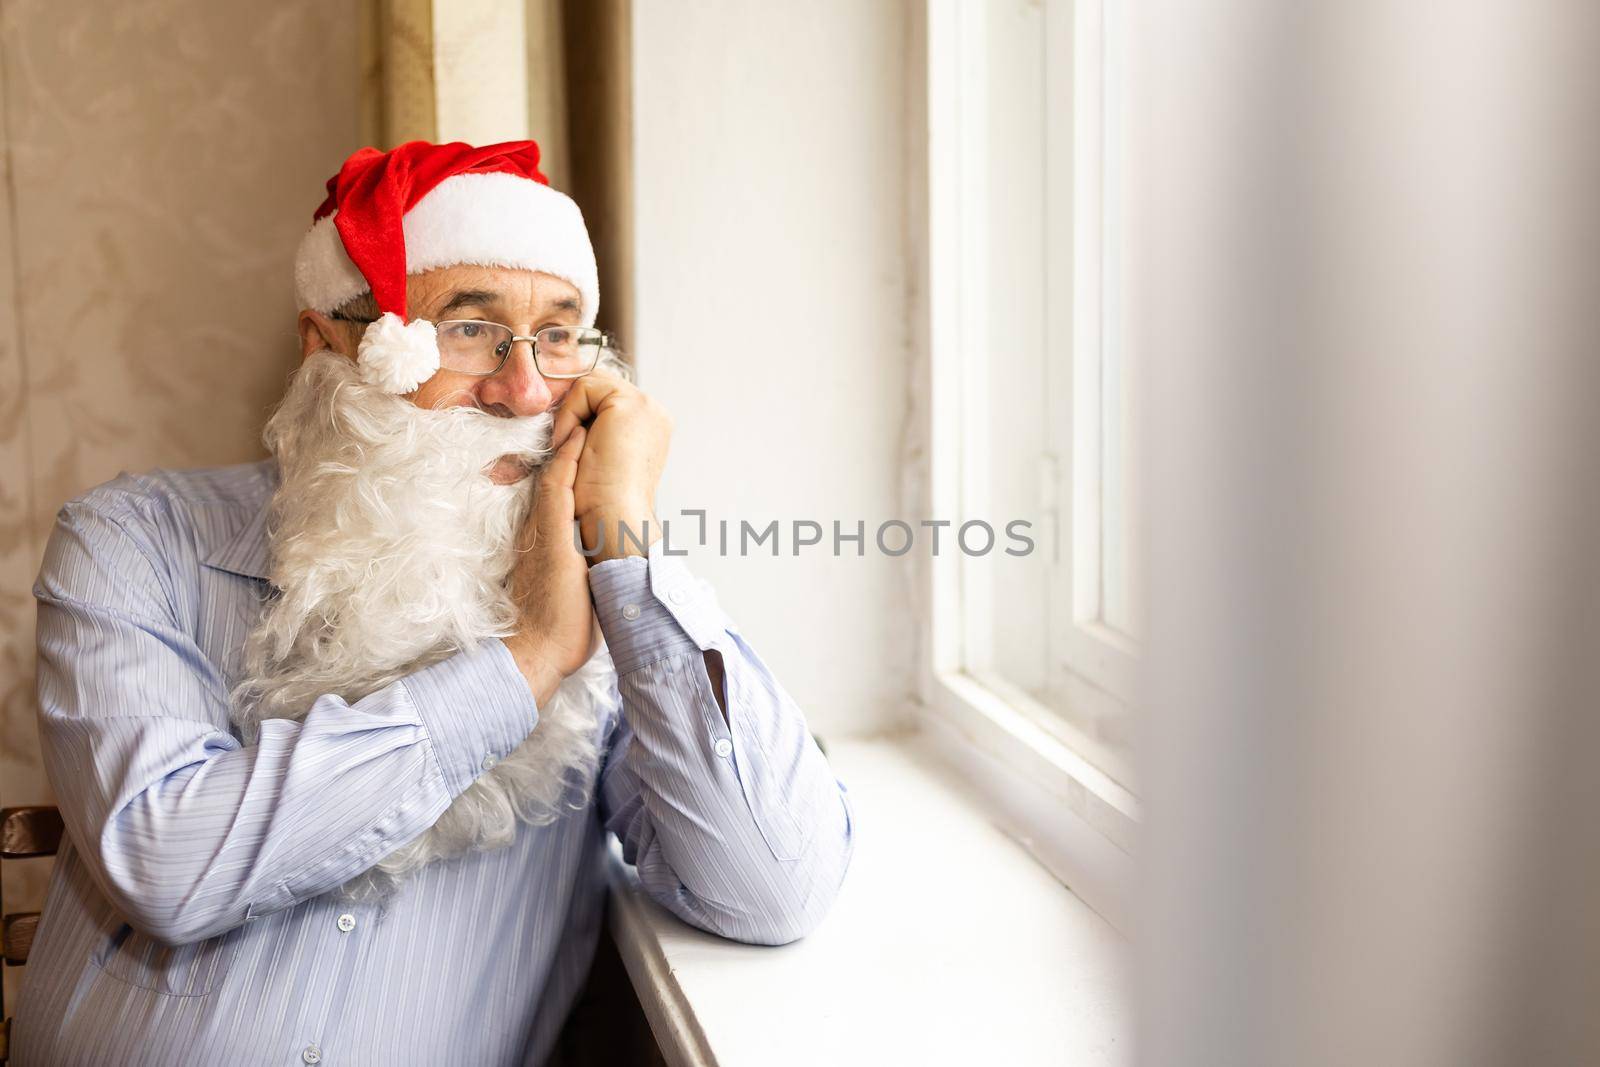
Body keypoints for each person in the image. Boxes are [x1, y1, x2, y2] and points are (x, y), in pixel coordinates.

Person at [10, 140, 853, 1066]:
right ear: (326, 346)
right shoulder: (135, 541)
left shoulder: (604, 611)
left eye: (559, 336)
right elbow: (168, 861)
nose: (523, 389)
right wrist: (523, 663)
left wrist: (623, 540)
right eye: (468, 329)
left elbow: (772, 884)